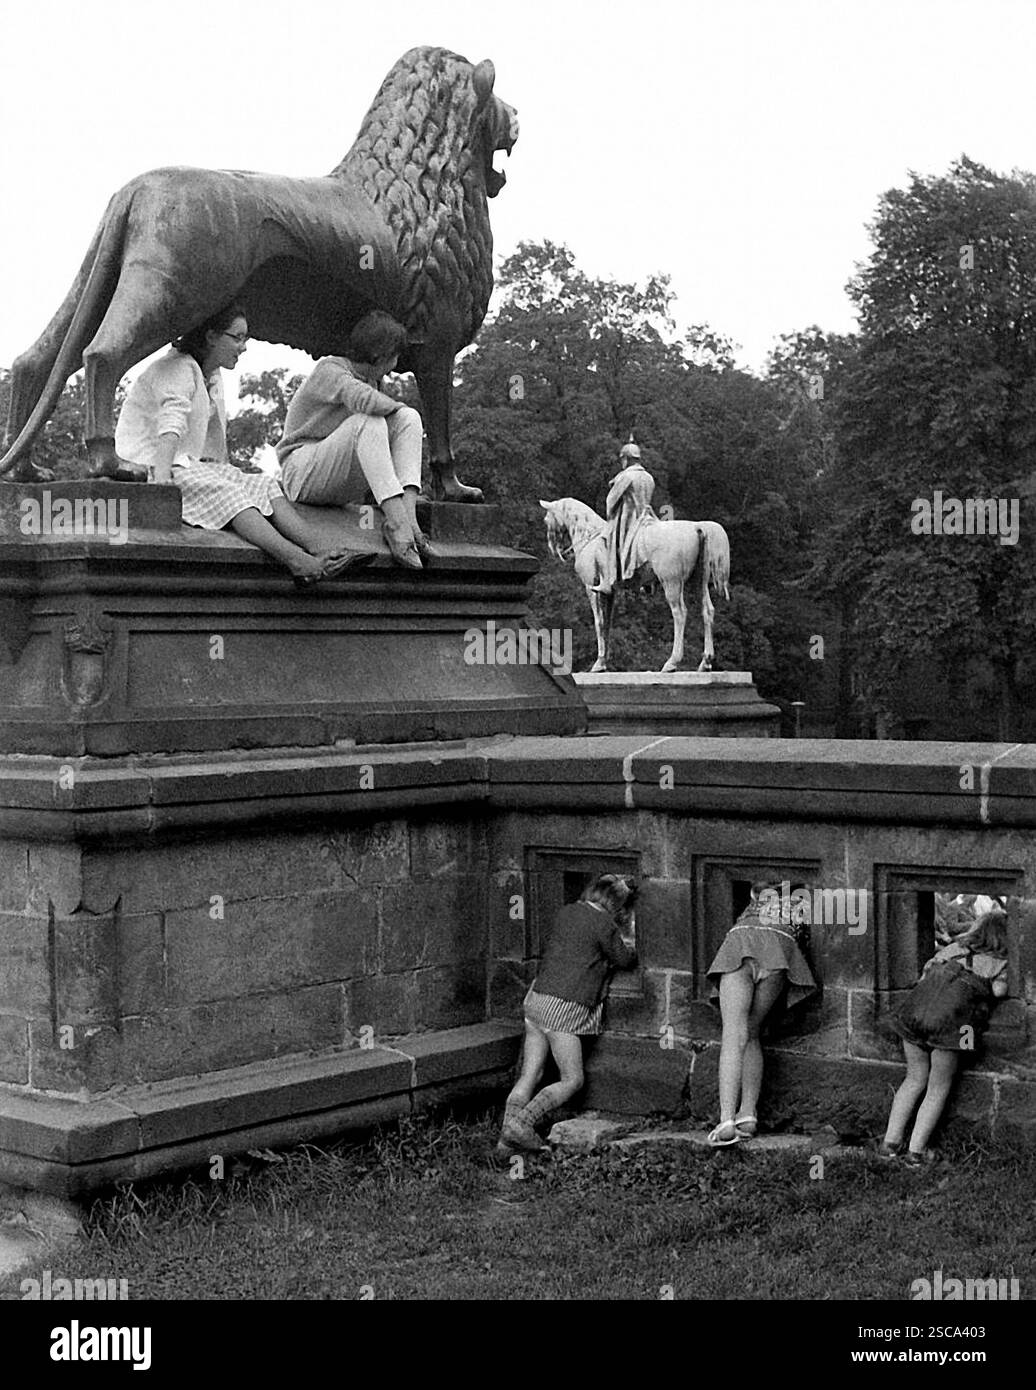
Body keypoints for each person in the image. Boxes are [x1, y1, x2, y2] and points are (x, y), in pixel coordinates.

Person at [115, 303, 372, 586]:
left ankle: (324, 548)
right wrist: (161, 483)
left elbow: (214, 438)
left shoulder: (210, 374)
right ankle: (298, 562)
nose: (244, 346)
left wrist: (224, 471)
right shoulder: (178, 368)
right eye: (237, 337)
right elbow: (170, 425)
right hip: (153, 465)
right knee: (228, 493)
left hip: (186, 463)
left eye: (245, 338)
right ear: (211, 336)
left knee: (262, 484)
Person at [497, 874, 638, 1155]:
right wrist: (628, 933)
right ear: (618, 907)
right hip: (563, 1007)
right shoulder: (604, 924)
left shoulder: (567, 911)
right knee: (572, 1079)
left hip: (536, 999)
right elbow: (624, 959)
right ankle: (522, 1125)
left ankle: (505, 1143)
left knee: (530, 1074)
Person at [276, 311, 428, 570]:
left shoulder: (370, 380)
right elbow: (363, 401)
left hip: (336, 482)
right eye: (395, 356)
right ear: (380, 356)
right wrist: (396, 410)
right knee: (372, 420)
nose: (397, 362)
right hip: (301, 473)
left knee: (409, 418)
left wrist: (403, 418)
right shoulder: (331, 369)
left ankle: (408, 517)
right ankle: (396, 523)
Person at [880, 909, 1008, 1165]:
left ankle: (889, 1144)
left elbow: (925, 976)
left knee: (914, 1078)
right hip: (951, 1028)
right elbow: (999, 991)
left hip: (913, 1017)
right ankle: (916, 1152)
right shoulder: (999, 963)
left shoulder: (950, 950)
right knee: (938, 1086)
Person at [705, 880, 818, 1145]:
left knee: (734, 1034)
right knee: (753, 1032)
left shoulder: (754, 900)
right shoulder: (800, 905)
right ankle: (748, 1114)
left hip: (742, 943)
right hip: (780, 948)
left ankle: (725, 1120)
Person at [590, 435, 655, 595]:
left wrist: (610, 515)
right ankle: (646, 581)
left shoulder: (627, 476)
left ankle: (607, 582)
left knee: (604, 542)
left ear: (626, 459)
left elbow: (611, 500)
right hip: (647, 515)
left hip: (629, 517)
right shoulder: (648, 477)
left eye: (623, 460)